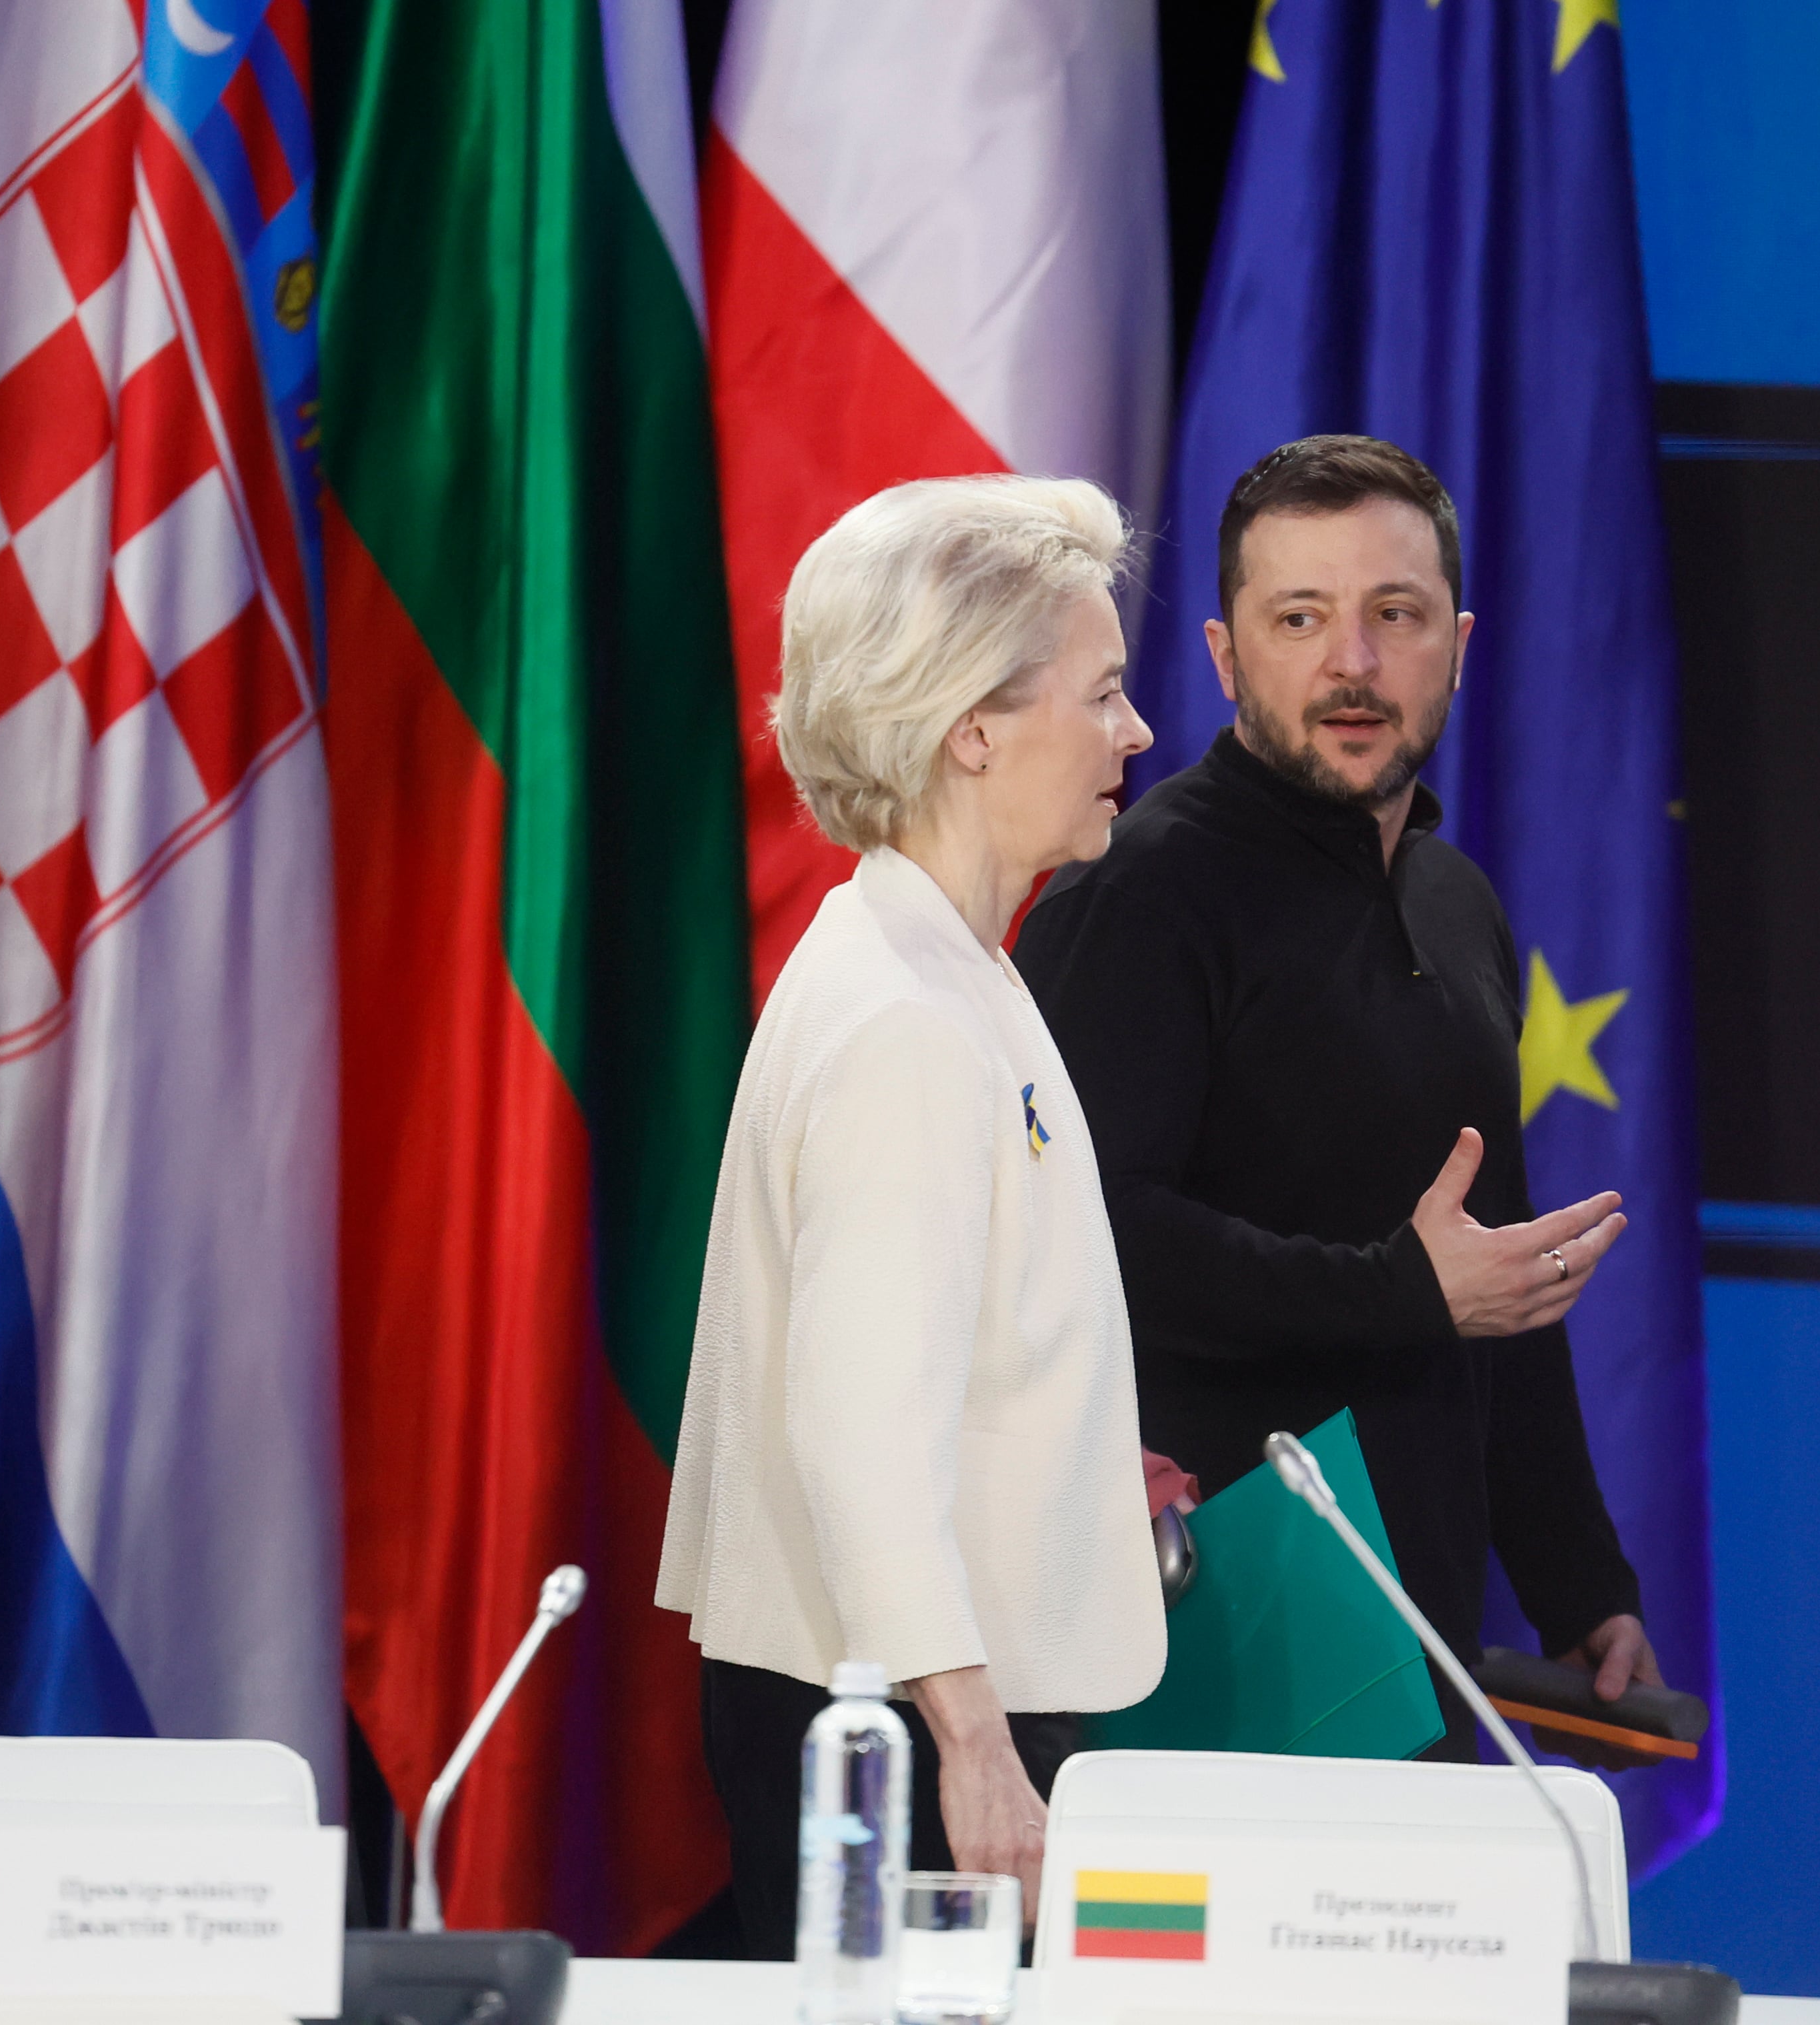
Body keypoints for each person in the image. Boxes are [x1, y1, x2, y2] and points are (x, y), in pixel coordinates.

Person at [1015, 435, 1659, 1762]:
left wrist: (1579, 1581)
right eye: (1298, 618)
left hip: (1414, 1646)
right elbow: (1091, 1243)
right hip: (1199, 1635)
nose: (1350, 664)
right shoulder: (1135, 897)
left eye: (1393, 616)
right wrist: (1402, 1290)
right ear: (1222, 653)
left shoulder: (1456, 899)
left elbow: (1501, 1289)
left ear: (1459, 642)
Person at [657, 475, 1167, 1952]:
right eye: (1106, 692)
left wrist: (1065, 1442)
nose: (1135, 733)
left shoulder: (931, 960)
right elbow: (858, 1432)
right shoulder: (905, 1018)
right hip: (905, 1725)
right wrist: (974, 1747)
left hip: (899, 1697)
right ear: (972, 726)